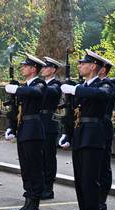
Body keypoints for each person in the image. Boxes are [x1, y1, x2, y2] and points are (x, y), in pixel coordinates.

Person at [60, 50, 110, 210]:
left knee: (90, 181)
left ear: (94, 66)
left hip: (93, 136)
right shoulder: (82, 86)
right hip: (80, 135)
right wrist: (68, 134)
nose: (79, 65)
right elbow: (72, 114)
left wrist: (75, 90)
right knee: (80, 181)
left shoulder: (106, 84)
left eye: (83, 63)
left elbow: (101, 95)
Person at [5, 53, 46, 210]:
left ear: (33, 68)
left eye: (25, 66)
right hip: (23, 130)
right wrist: (11, 128)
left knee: (34, 169)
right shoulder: (25, 86)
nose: (22, 68)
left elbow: (35, 93)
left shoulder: (39, 83)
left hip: (33, 130)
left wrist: (17, 89)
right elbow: (16, 110)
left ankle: (34, 206)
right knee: (26, 169)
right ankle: (27, 202)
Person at [40, 57, 63, 200]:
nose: (42, 69)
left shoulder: (56, 85)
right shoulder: (41, 84)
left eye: (46, 67)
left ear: (53, 69)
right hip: (38, 122)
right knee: (39, 157)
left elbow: (51, 92)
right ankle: (40, 185)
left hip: (48, 123)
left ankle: (49, 188)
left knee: (48, 157)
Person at [97, 57, 115, 210]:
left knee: (103, 165)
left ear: (103, 69)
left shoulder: (110, 84)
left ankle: (101, 200)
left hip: (103, 127)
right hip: (92, 128)